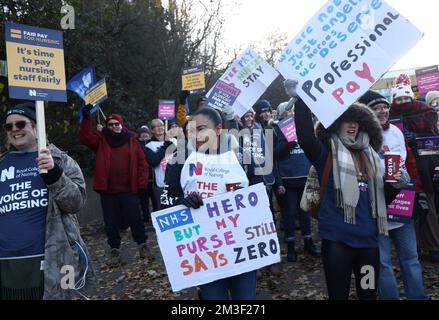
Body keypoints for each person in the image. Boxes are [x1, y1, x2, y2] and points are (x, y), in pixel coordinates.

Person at [289, 79, 408, 300]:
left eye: (356, 121)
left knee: (368, 295)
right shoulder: (326, 154)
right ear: (336, 124)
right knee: (338, 295)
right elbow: (305, 137)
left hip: (368, 243)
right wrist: (301, 100)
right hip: (337, 242)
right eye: (346, 120)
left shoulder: (371, 156)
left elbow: (382, 199)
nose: (352, 125)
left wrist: (396, 185)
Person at [161, 107, 263, 300]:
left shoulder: (242, 157)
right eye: (191, 130)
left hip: (241, 246)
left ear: (218, 129)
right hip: (203, 252)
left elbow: (261, 197)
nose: (196, 135)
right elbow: (166, 200)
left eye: (201, 129)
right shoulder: (180, 159)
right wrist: (182, 202)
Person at [0, 102, 93, 300]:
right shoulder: (2, 164)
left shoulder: (60, 160)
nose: (14, 130)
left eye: (20, 124)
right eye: (9, 126)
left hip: (52, 261)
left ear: (35, 127)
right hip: (7, 265)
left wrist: (54, 175)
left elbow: (76, 203)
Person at [359, 90, 428, 300]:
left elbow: (410, 164)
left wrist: (419, 193)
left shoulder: (396, 132)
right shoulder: (361, 137)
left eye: (384, 106)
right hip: (375, 208)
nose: (382, 111)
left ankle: (417, 297)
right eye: (376, 107)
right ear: (367, 112)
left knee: (411, 258)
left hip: (401, 205)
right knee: (383, 262)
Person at [79, 104, 150, 267]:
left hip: (129, 190)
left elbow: (142, 164)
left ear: (121, 125)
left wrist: (141, 184)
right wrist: (86, 117)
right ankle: (115, 252)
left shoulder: (132, 140)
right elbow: (84, 138)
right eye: (110, 125)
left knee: (136, 220)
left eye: (116, 124)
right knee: (111, 223)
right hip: (108, 192)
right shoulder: (101, 140)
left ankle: (143, 246)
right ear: (107, 127)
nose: (113, 127)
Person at [389, 74, 439, 263]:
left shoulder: (425, 112)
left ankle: (434, 246)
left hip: (426, 166)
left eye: (405, 98)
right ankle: (415, 245)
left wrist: (416, 140)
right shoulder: (391, 116)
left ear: (411, 97)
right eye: (399, 99)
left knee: (429, 207)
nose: (402, 102)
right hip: (403, 166)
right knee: (407, 206)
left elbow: (434, 142)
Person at [273, 101, 320, 262]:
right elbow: (273, 154)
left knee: (305, 212)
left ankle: (308, 242)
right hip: (287, 178)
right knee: (289, 213)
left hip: (305, 175)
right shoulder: (275, 128)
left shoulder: (306, 126)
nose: (291, 114)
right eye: (287, 112)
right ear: (281, 114)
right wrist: (287, 146)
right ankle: (291, 246)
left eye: (293, 111)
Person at [144, 119, 175, 210]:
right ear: (152, 130)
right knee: (163, 208)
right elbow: (153, 161)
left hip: (176, 180)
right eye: (156, 126)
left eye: (161, 125)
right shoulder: (149, 145)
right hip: (161, 182)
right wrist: (164, 148)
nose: (160, 127)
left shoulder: (174, 140)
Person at [137, 125, 155, 223]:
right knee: (144, 200)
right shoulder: (137, 145)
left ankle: (156, 216)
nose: (144, 134)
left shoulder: (153, 144)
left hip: (154, 177)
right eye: (142, 133)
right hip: (143, 178)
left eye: (146, 132)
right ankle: (146, 217)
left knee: (155, 199)